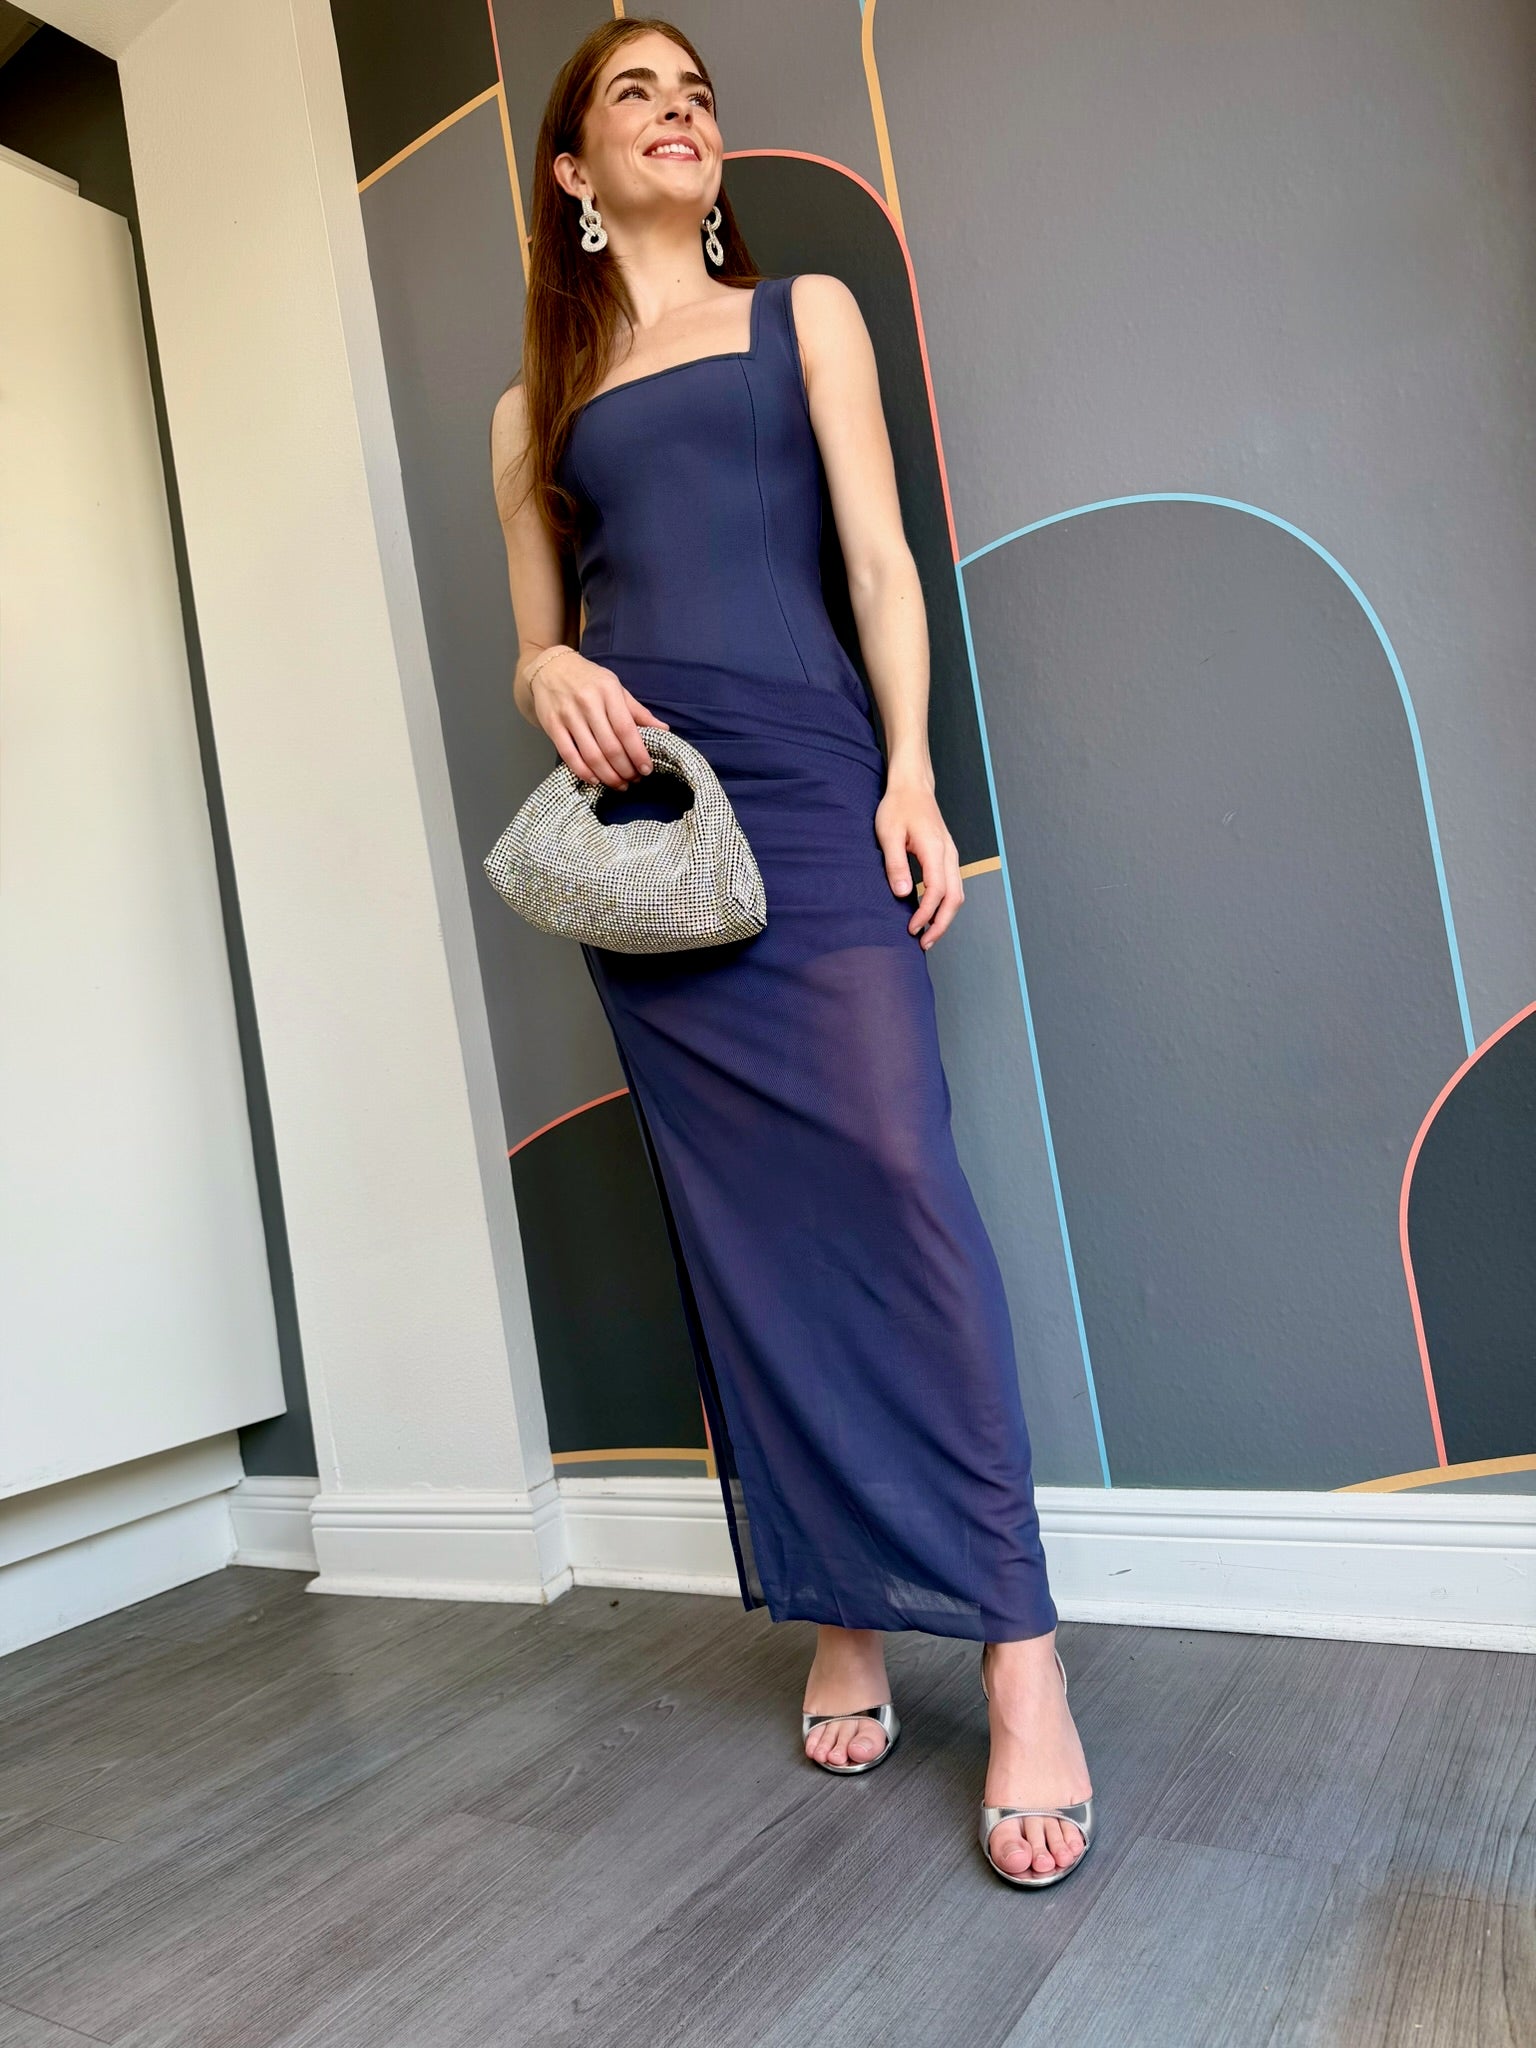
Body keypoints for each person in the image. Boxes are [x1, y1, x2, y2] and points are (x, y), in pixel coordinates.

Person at [490, 16, 1094, 1887]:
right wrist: (547, 665)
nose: (680, 112)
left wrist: (911, 769)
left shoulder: (802, 313)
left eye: (695, 91)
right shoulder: (531, 409)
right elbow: (536, 645)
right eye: (636, 95)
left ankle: (1018, 1652)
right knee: (747, 1236)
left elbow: (879, 563)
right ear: (574, 174)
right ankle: (843, 1600)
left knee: (899, 1181)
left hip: (818, 788)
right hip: (660, 831)